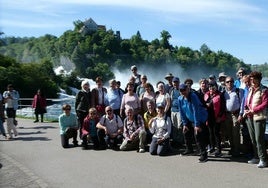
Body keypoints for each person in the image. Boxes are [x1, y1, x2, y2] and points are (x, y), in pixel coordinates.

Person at [178, 84, 209, 162]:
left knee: (198, 135)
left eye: (184, 90)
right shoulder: (180, 99)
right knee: (186, 132)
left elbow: (196, 111)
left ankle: (204, 155)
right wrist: (185, 124)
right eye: (181, 90)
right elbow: (182, 112)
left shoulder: (193, 96)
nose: (183, 92)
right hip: (189, 118)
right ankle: (189, 150)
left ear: (188, 89)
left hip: (200, 118)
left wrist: (197, 125)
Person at [244, 71, 268, 168]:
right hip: (249, 116)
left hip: (259, 117)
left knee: (259, 139)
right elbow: (248, 101)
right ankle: (257, 156)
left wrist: (253, 110)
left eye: (255, 78)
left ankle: (263, 159)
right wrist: (246, 108)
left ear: (259, 79)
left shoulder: (264, 90)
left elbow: (265, 103)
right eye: (251, 78)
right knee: (253, 138)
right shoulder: (250, 89)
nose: (252, 80)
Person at [222, 76, 244, 157]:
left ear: (233, 82)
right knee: (229, 133)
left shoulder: (239, 91)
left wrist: (241, 114)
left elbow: (242, 103)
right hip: (227, 115)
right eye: (227, 82)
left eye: (231, 81)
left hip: (236, 114)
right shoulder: (224, 92)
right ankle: (232, 148)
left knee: (236, 133)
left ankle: (237, 150)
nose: (229, 83)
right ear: (225, 83)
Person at [204, 81, 226, 157]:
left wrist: (219, 117)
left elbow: (223, 107)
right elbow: (204, 105)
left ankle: (219, 149)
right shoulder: (207, 95)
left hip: (217, 117)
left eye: (213, 86)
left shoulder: (220, 95)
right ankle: (212, 147)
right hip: (209, 117)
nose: (211, 88)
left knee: (216, 133)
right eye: (209, 87)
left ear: (216, 87)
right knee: (210, 133)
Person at [169, 77, 184, 147]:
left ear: (179, 82)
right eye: (174, 82)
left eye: (176, 82)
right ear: (172, 83)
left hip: (179, 111)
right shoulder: (171, 90)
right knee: (174, 127)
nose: (175, 83)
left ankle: (180, 141)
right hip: (173, 110)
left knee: (180, 126)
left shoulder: (181, 90)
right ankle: (175, 141)